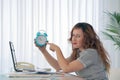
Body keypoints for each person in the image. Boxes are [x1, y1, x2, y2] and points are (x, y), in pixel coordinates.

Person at [35, 22, 110, 80]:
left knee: (64, 77)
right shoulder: (78, 53)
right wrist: (43, 50)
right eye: (73, 35)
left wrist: (57, 49)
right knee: (63, 76)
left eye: (78, 36)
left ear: (87, 38)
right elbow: (58, 66)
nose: (73, 39)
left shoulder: (90, 53)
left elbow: (66, 68)